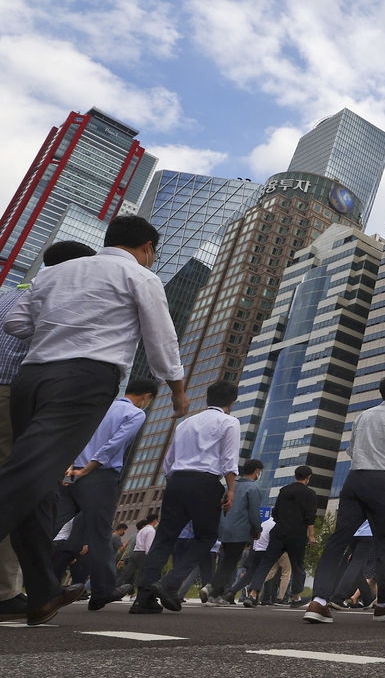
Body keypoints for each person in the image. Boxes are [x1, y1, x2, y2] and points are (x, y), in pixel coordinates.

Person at [0, 238, 147, 624]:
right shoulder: (62, 298)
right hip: (22, 396)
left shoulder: (9, 293)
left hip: (24, 397)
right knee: (24, 489)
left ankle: (38, 592)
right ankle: (19, 591)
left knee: (33, 494)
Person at [305, 374, 385, 625]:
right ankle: (383, 605)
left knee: (337, 540)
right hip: (381, 481)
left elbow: (351, 451)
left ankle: (318, 601)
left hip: (354, 481)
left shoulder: (362, 416)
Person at [131, 381, 239, 614]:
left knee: (164, 538)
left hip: (177, 481)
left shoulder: (186, 423)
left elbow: (168, 462)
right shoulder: (230, 422)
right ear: (232, 402)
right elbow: (229, 460)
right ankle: (170, 582)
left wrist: (175, 484)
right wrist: (231, 489)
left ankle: (143, 598)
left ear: (207, 399)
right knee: (206, 536)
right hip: (206, 483)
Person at [52, 378, 157, 611]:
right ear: (147, 396)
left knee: (54, 527)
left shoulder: (102, 406)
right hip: (96, 475)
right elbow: (113, 445)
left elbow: (75, 435)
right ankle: (102, 591)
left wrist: (71, 468)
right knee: (100, 534)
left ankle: (37, 583)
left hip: (70, 472)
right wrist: (86, 469)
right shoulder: (135, 413)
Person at [244, 465, 318, 608]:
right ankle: (295, 597)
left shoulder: (284, 491)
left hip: (278, 532)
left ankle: (253, 594)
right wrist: (312, 535)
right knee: (297, 566)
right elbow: (310, 516)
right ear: (308, 477)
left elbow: (275, 512)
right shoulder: (309, 494)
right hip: (297, 534)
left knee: (266, 563)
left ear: (295, 476)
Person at [203, 459, 263, 606]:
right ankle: (210, 588)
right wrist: (257, 529)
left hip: (224, 529)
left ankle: (215, 595)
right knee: (230, 563)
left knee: (226, 561)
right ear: (256, 471)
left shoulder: (230, 486)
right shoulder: (253, 489)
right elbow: (254, 512)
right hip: (240, 530)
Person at [223, 514, 274, 604]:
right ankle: (252, 594)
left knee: (250, 575)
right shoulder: (275, 525)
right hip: (265, 551)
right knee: (261, 573)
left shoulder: (264, 523)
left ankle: (231, 591)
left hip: (255, 550)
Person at [116, 515, 158, 591]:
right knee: (146, 575)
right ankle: (144, 592)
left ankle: (113, 588)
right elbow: (149, 544)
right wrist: (150, 556)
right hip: (142, 554)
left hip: (135, 553)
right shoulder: (151, 531)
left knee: (125, 575)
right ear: (155, 521)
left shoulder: (141, 530)